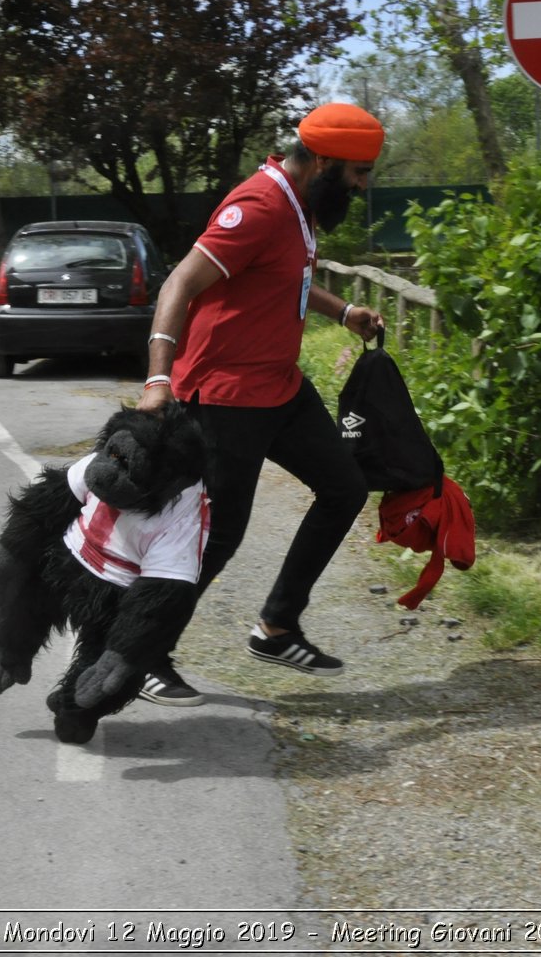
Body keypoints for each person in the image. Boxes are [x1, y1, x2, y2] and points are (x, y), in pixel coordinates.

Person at [131, 102, 387, 704]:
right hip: (225, 394)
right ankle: (143, 651)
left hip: (278, 385)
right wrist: (157, 379)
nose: (363, 184)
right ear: (322, 160)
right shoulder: (259, 205)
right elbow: (180, 284)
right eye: (357, 172)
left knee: (345, 486)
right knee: (218, 534)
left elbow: (282, 278)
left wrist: (342, 311)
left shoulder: (299, 207)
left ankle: (276, 626)